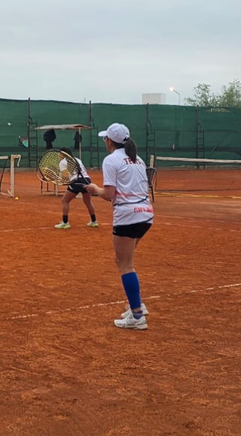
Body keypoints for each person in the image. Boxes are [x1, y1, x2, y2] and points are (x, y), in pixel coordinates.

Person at [83, 123, 153, 330]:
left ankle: (138, 316)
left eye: (106, 138)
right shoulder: (137, 159)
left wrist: (94, 189)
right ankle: (137, 305)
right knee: (123, 260)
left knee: (125, 265)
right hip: (146, 215)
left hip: (128, 216)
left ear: (110, 141)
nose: (105, 141)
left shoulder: (111, 160)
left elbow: (109, 194)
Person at [54, 147, 98, 229]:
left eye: (60, 153)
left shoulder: (63, 162)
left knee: (65, 200)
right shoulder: (78, 159)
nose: (59, 155)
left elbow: (65, 176)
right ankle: (94, 221)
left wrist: (59, 178)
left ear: (63, 154)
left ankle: (65, 222)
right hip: (87, 179)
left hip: (76, 181)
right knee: (88, 201)